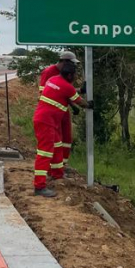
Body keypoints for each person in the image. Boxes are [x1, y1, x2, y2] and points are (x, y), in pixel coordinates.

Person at [33, 60, 90, 197]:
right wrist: (89, 104)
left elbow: (63, 93)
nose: (75, 77)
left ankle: (57, 174)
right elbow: (80, 102)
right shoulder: (67, 87)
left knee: (57, 146)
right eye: (75, 74)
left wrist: (79, 92)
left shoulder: (53, 79)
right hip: (46, 122)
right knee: (45, 152)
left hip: (46, 120)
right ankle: (39, 186)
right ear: (70, 75)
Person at [39, 51, 79, 181]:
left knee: (66, 139)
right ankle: (52, 171)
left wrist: (72, 106)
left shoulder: (65, 74)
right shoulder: (49, 73)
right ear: (65, 62)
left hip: (62, 109)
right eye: (72, 64)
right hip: (51, 112)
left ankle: (61, 167)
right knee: (54, 143)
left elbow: (66, 91)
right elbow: (47, 93)